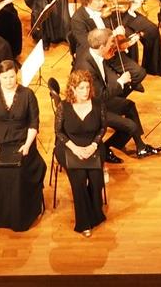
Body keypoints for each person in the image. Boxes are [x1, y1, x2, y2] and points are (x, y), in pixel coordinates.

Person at [72, 28, 161, 161]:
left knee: (129, 105)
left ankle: (141, 147)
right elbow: (101, 96)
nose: (113, 46)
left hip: (97, 100)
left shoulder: (94, 52)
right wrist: (120, 82)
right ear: (102, 46)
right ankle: (104, 150)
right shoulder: (87, 67)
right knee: (130, 126)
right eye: (110, 43)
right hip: (92, 109)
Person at [0, 60, 45, 232]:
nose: (9, 80)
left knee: (18, 171)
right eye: (5, 77)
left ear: (17, 74)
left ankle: (22, 216)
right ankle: (1, 214)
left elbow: (34, 124)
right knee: (0, 170)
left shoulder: (28, 94)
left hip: (22, 142)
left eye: (12, 76)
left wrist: (27, 145)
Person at [66, 0, 148, 90]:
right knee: (116, 84)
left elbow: (118, 24)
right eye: (98, 0)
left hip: (111, 52)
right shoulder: (78, 19)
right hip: (95, 57)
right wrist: (113, 34)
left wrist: (131, 11)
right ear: (87, 0)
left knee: (140, 73)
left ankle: (118, 98)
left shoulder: (105, 9)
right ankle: (113, 98)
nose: (103, 3)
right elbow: (89, 45)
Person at [54, 69, 107, 237]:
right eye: (81, 88)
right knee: (78, 182)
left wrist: (93, 145)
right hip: (69, 147)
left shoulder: (98, 104)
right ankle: (84, 222)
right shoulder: (64, 106)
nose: (85, 92)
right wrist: (75, 148)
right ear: (73, 89)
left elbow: (102, 128)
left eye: (87, 87)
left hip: (93, 145)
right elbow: (59, 132)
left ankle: (95, 213)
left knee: (96, 181)